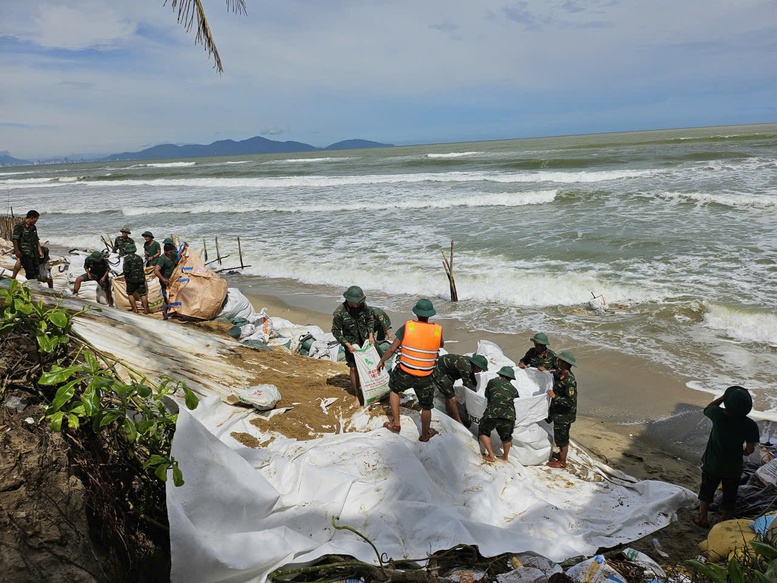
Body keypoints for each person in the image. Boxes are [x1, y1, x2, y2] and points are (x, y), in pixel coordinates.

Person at [377, 298, 443, 442]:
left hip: (405, 371)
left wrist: (382, 361)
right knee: (426, 406)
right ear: (430, 314)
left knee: (394, 390)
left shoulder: (408, 327)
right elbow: (438, 345)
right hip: (425, 375)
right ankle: (425, 435)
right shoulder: (438, 330)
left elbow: (392, 349)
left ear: (416, 313)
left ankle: (396, 423)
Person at [694, 386, 759, 528]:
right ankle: (722, 520)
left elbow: (708, 408)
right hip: (733, 468)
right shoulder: (750, 425)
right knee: (730, 495)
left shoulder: (718, 415)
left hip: (713, 465)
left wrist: (723, 397)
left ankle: (703, 518)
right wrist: (744, 452)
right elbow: (750, 449)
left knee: (706, 491)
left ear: (727, 404)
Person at [331, 286, 375, 405]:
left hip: (365, 341)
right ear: (349, 300)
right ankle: (357, 394)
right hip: (350, 344)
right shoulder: (339, 313)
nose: (358, 304)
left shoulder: (362, 305)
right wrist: (347, 345)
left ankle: (370, 389)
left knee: (370, 365)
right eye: (356, 302)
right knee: (354, 368)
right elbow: (335, 331)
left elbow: (370, 319)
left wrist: (371, 335)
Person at [431, 353, 488, 424]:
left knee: (448, 393)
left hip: (449, 373)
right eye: (480, 369)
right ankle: (458, 420)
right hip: (439, 370)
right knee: (451, 396)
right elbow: (467, 385)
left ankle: (449, 412)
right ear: (476, 365)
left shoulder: (469, 365)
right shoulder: (465, 367)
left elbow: (473, 383)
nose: (480, 371)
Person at [479, 366, 520, 462]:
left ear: (500, 374)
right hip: (510, 415)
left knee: (483, 430)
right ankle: (505, 457)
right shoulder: (513, 389)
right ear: (510, 378)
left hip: (493, 413)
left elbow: (487, 395)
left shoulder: (492, 382)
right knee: (507, 437)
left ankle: (491, 456)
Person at [546, 350, 577, 469]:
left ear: (564, 363)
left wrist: (555, 396)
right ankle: (560, 455)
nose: (557, 362)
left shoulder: (569, 381)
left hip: (564, 415)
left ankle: (562, 462)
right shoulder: (562, 375)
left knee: (562, 438)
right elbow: (559, 375)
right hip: (558, 413)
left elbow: (570, 401)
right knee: (559, 436)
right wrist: (554, 373)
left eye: (560, 361)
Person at [11, 210, 44, 282]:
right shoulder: (20, 226)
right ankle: (14, 278)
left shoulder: (33, 227)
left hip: (32, 252)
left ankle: (35, 283)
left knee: (35, 270)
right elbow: (15, 239)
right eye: (36, 219)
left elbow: (36, 240)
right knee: (29, 272)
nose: (36, 221)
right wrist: (17, 250)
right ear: (32, 218)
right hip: (24, 252)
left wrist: (40, 251)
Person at [122, 243, 149, 314]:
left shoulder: (126, 259)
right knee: (143, 294)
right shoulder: (139, 258)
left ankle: (135, 309)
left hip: (131, 280)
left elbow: (126, 271)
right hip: (141, 278)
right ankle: (146, 310)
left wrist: (125, 276)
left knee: (130, 294)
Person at [154, 244, 179, 319]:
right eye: (169, 252)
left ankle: (174, 311)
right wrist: (163, 279)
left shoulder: (173, 254)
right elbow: (156, 270)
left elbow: (180, 254)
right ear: (165, 251)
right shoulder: (162, 259)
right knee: (166, 297)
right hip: (165, 280)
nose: (171, 253)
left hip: (173, 280)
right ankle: (165, 313)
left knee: (175, 295)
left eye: (172, 252)